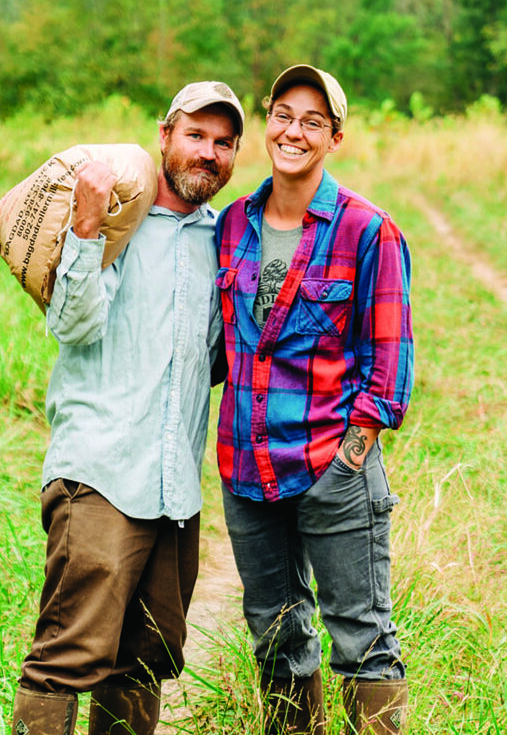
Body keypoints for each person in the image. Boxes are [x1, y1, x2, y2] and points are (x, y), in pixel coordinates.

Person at [11, 81, 244, 735]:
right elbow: (73, 325)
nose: (209, 152)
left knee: (144, 662)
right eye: (196, 134)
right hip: (101, 477)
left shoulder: (221, 243)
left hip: (174, 492)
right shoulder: (120, 219)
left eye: (224, 143)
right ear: (164, 136)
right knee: (65, 659)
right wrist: (85, 226)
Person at [215, 65, 414, 735]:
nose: (291, 131)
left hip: (334, 470)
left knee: (362, 640)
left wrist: (346, 468)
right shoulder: (232, 224)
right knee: (276, 636)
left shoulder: (367, 231)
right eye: (281, 113)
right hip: (247, 474)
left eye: (311, 121)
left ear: (335, 137)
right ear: (265, 121)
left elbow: (387, 374)